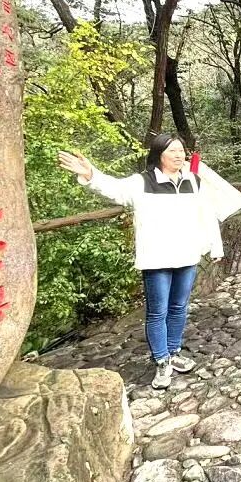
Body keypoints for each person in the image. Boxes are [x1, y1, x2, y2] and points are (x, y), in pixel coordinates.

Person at [57, 135, 223, 389]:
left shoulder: (193, 181)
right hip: (156, 259)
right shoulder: (142, 182)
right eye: (172, 151)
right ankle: (161, 360)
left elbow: (207, 215)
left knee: (179, 307)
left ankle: (173, 352)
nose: (179, 155)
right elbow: (114, 189)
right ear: (159, 154)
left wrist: (215, 245)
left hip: (188, 255)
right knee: (158, 311)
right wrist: (91, 174)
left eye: (181, 151)